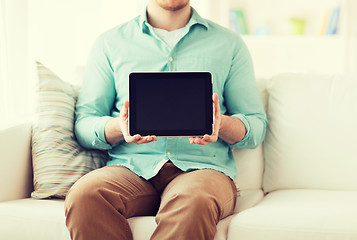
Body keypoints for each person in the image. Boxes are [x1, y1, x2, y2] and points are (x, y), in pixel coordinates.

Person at [64, 0, 267, 239]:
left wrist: (220, 123)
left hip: (202, 171)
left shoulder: (229, 43)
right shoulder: (110, 43)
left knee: (195, 200)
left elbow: (256, 125)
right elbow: (86, 124)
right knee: (85, 195)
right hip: (131, 169)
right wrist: (119, 126)